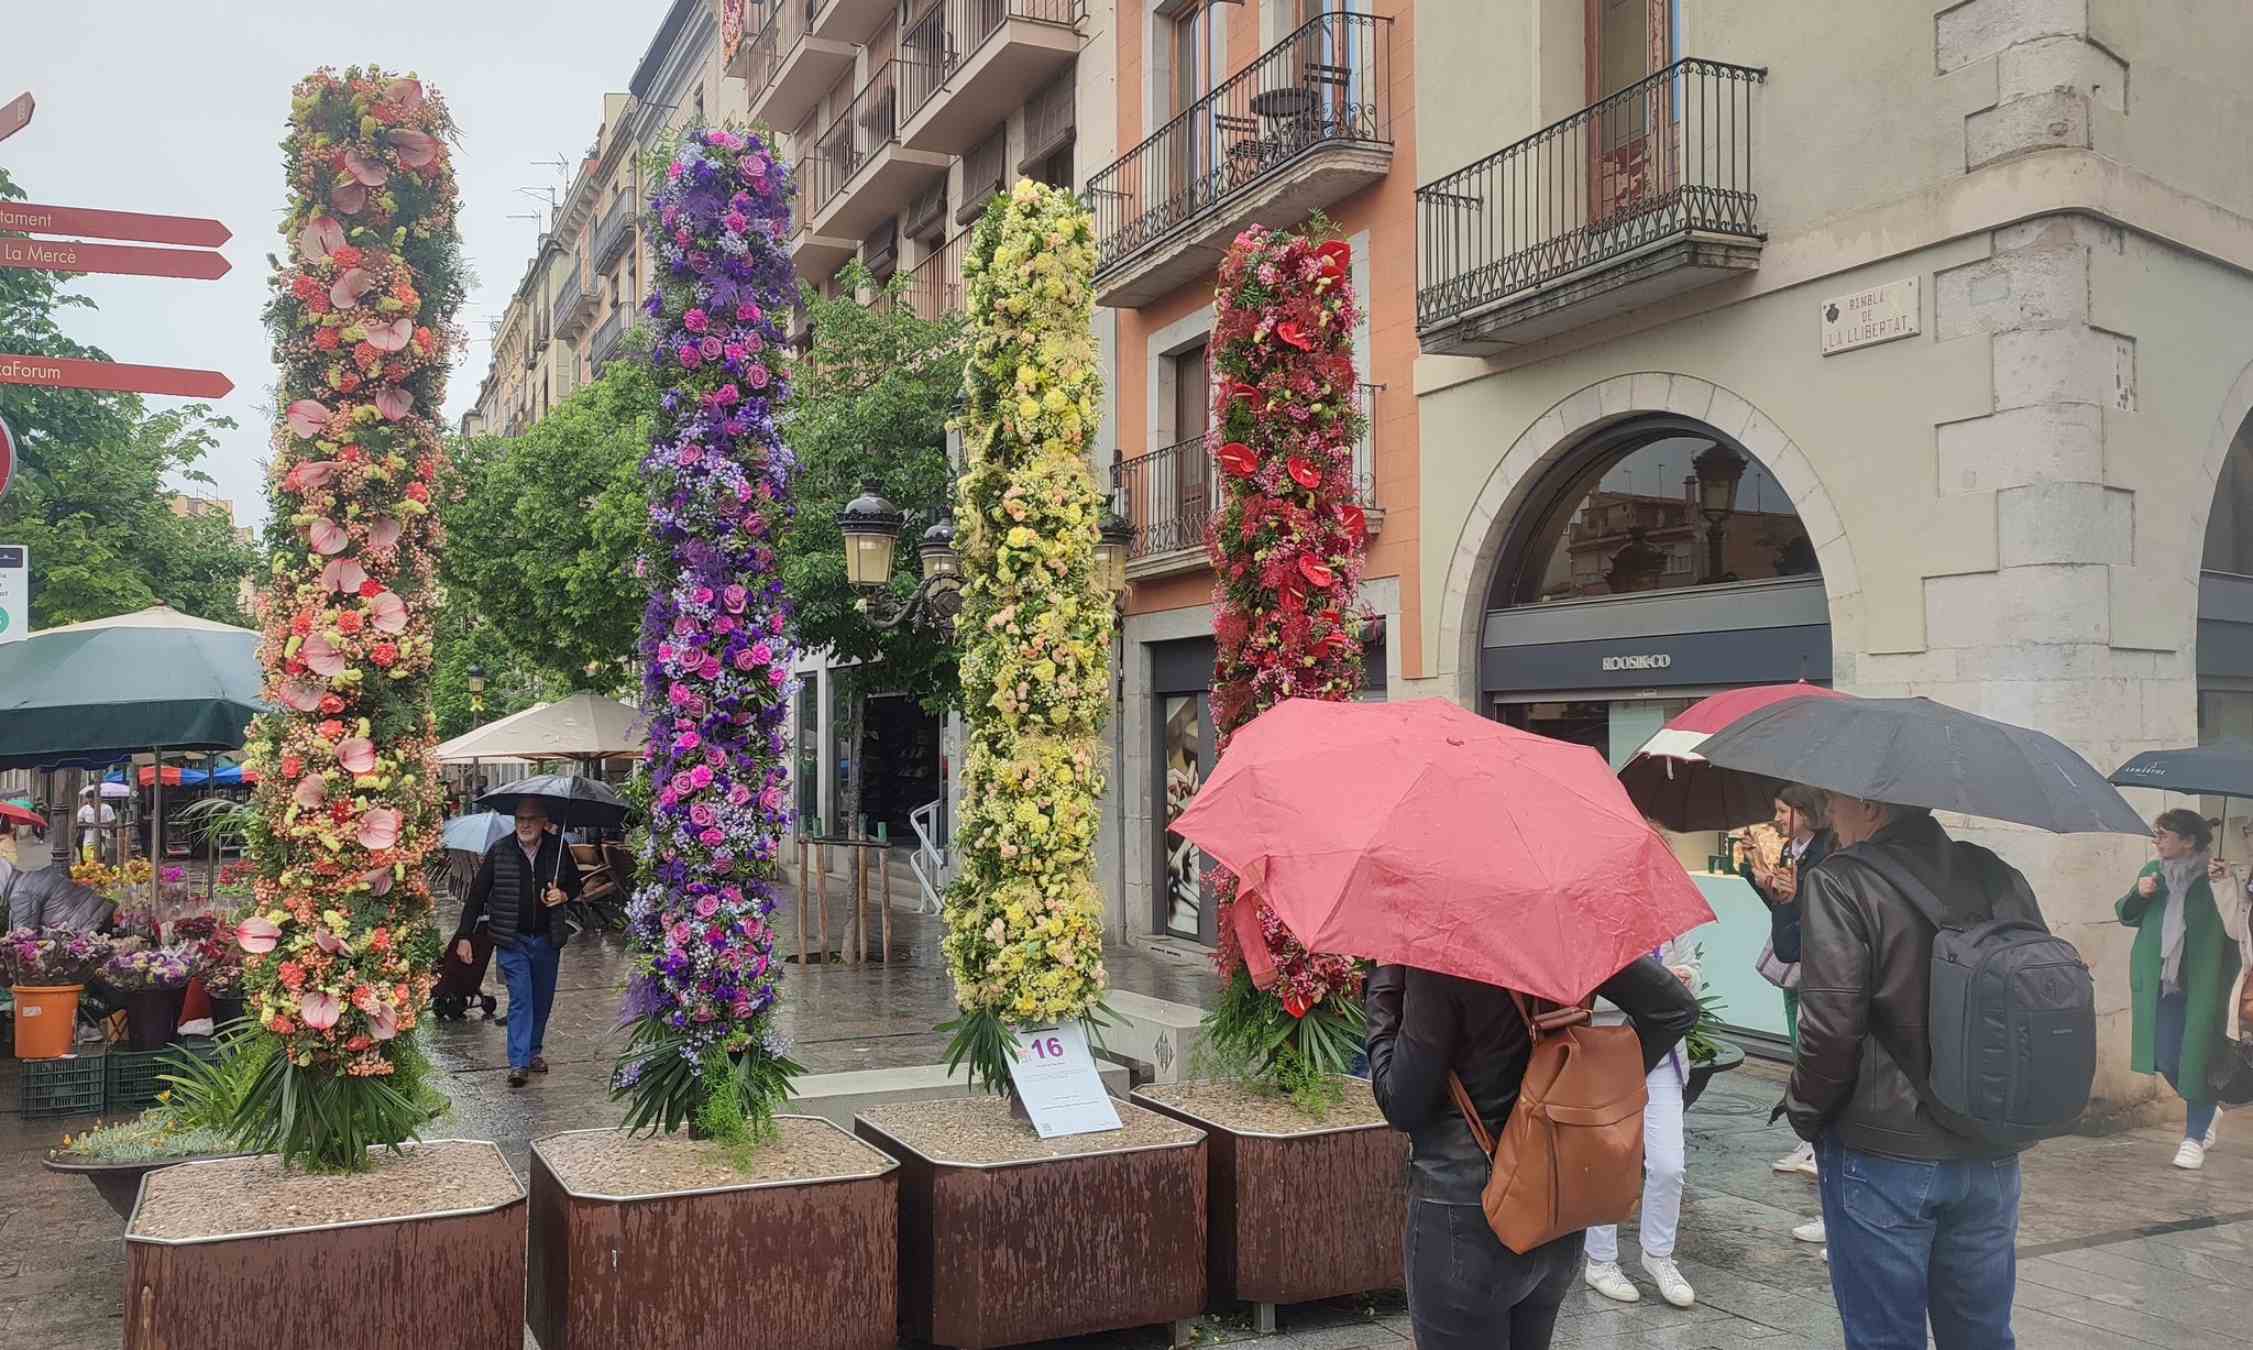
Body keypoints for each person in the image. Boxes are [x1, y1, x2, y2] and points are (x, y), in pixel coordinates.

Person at [1786, 795, 2041, 1350]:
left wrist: (1804, 1114)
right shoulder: (2000, 874)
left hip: (1883, 1152)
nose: (1829, 814)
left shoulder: (1840, 881)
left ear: (1873, 807)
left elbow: (1830, 1029)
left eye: (1835, 803)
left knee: (1884, 1337)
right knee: (1982, 1336)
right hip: (1990, 1146)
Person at [1368, 957, 1698, 1349]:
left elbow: (1402, 1103)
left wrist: (1384, 984)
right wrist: (1597, 1085)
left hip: (1465, 1213)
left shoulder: (1441, 954)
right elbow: (1674, 1008)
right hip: (1554, 1203)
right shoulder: (1566, 929)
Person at [2118, 809, 2240, 1170]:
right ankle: (2209, 1110)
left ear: (2188, 841)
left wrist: (2227, 884)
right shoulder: (2152, 874)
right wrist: (2140, 895)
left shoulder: (2215, 878)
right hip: (2163, 984)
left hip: (2206, 984)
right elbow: (2126, 914)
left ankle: (2193, 1137)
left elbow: (2236, 925)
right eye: (2157, 834)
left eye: (2164, 834)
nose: (2156, 841)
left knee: (2197, 1059)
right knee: (2167, 1058)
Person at [1584, 938, 1701, 1309]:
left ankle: (1659, 1255)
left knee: (1668, 1166)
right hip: (1607, 1050)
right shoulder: (1596, 921)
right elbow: (1577, 992)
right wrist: (1649, 988)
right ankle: (1600, 1260)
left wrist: (1684, 979)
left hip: (1664, 1058)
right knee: (1607, 1162)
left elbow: (1693, 974)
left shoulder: (1668, 919)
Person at [453, 802, 581, 1087]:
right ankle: (519, 1062)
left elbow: (577, 885)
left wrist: (563, 894)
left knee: (542, 998)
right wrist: (464, 935)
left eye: (531, 820)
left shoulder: (557, 849)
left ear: (544, 821)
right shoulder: (501, 850)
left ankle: (533, 1050)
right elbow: (477, 896)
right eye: (520, 819)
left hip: (548, 937)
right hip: (512, 939)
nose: (524, 825)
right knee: (522, 998)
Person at [1749, 785, 1833, 1181]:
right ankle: (1809, 1138)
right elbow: (1784, 912)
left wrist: (1794, 898)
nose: (1778, 818)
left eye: (1785, 811)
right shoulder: (1792, 850)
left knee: (1812, 1053)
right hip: (1793, 962)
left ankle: (1820, 1144)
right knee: (1800, 1051)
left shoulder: (1825, 853)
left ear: (1806, 811)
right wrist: (1763, 883)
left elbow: (1819, 915)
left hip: (1814, 966)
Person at [76, 787, 115, 863]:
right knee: (89, 860)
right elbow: (78, 822)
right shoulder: (84, 809)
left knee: (104, 858)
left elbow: (112, 823)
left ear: (98, 799)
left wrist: (100, 825)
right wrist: (90, 825)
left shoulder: (107, 808)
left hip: (104, 836)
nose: (90, 803)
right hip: (89, 838)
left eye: (92, 801)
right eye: (89, 801)